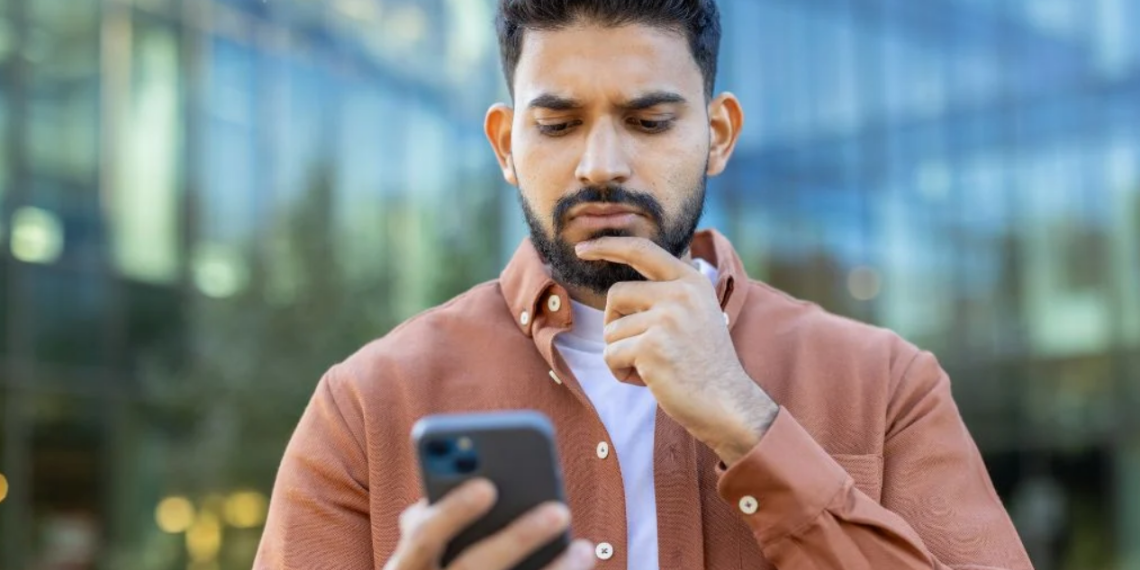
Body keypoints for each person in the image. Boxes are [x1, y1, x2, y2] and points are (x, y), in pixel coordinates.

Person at [254, 1, 1033, 568]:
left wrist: (748, 423)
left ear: (718, 135)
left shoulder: (889, 387)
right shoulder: (367, 405)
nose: (601, 164)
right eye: (557, 125)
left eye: (650, 121)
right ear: (504, 143)